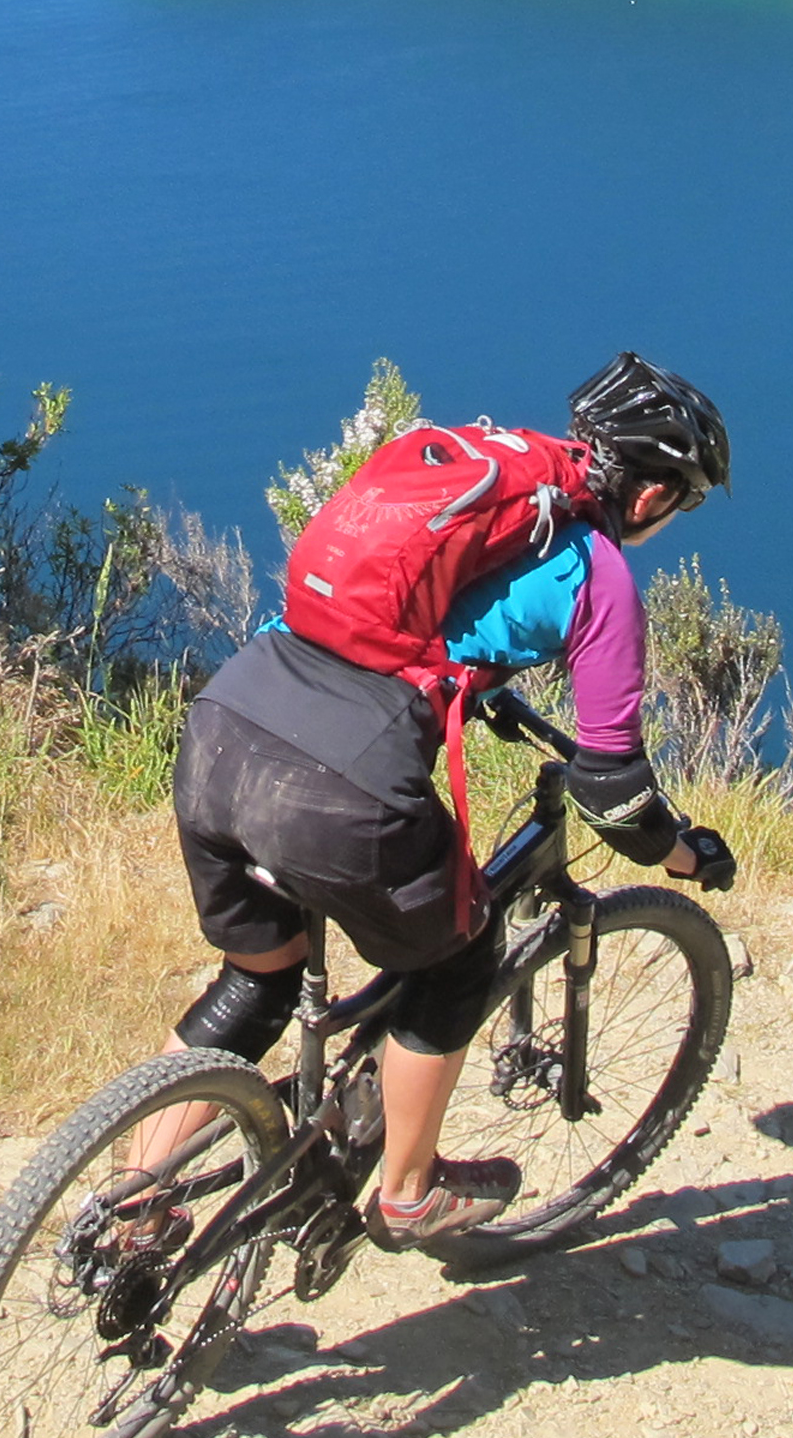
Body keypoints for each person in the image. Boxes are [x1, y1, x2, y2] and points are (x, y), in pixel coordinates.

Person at [163, 352, 740, 1248]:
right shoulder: (600, 574)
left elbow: (427, 619)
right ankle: (407, 1192)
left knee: (258, 977)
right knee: (460, 959)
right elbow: (614, 792)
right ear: (653, 496)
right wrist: (683, 852)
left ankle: (128, 1209)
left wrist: (483, 685)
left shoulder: (484, 478)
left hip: (224, 724)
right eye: (682, 502)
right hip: (340, 780)